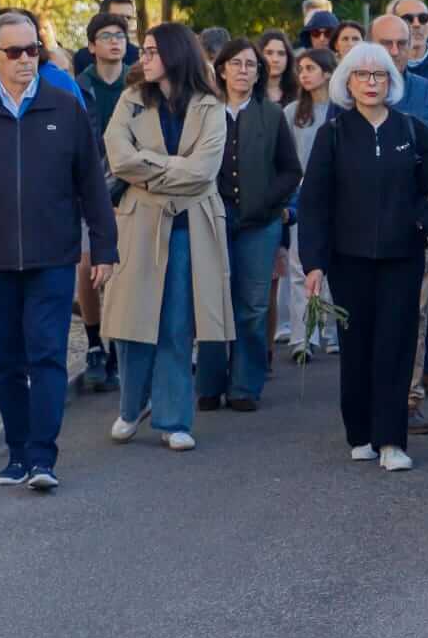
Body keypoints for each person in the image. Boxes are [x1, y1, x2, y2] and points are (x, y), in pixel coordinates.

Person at [0, 9, 118, 489]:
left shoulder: (65, 107)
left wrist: (103, 248)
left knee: (48, 355)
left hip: (52, 256)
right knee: (4, 363)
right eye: (14, 51)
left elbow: (92, 187)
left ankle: (43, 456)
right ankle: (16, 450)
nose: (25, 59)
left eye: (33, 49)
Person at [299, 41, 428, 472]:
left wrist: (419, 223)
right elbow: (314, 202)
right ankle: (360, 433)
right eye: (361, 75)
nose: (371, 82)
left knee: (395, 344)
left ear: (391, 81)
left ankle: (392, 441)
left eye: (379, 75)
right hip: (348, 258)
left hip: (403, 257)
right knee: (356, 345)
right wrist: (314, 263)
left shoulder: (413, 130)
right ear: (347, 82)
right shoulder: (333, 134)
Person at [100, 23, 232, 454]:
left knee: (176, 326)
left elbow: (204, 170)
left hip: (189, 228)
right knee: (132, 322)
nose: (145, 58)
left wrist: (149, 169)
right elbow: (119, 160)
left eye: (153, 51)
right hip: (138, 225)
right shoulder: (131, 99)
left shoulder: (210, 105)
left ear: (175, 54)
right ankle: (131, 407)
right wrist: (171, 168)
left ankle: (174, 418)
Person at [195, 38, 301, 414]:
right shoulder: (203, 111)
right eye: (236, 64)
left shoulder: (271, 114)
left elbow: (291, 170)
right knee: (211, 301)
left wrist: (269, 202)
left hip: (260, 224)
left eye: (251, 65)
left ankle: (244, 385)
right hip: (211, 220)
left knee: (253, 305)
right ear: (221, 69)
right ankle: (208, 383)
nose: (244, 71)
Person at [370, 13, 428, 430]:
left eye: (400, 43)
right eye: (384, 43)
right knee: (369, 312)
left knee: (414, 312)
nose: (393, 52)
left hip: (418, 225)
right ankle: (372, 396)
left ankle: (407, 398)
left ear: (413, 45)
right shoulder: (352, 94)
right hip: (363, 226)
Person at [70, 10, 133, 393]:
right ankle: (94, 344)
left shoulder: (138, 85)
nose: (115, 41)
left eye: (121, 36)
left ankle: (118, 350)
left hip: (129, 188)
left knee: (123, 274)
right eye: (107, 35)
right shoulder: (78, 86)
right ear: (92, 45)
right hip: (86, 187)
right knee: (88, 266)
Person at [282, 47, 340, 358]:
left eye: (310, 68)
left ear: (328, 73)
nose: (303, 74)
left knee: (332, 268)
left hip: (336, 196)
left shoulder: (341, 109)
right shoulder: (292, 113)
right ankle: (303, 337)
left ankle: (332, 333)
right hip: (300, 196)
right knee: (299, 267)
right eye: (300, 69)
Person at [71, 0, 140, 73]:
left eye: (128, 18)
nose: (125, 21)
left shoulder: (139, 57)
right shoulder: (81, 58)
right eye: (118, 17)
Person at [255, 29, 293, 105]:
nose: (275, 59)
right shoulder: (248, 93)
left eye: (281, 53)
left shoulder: (300, 93)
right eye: (269, 53)